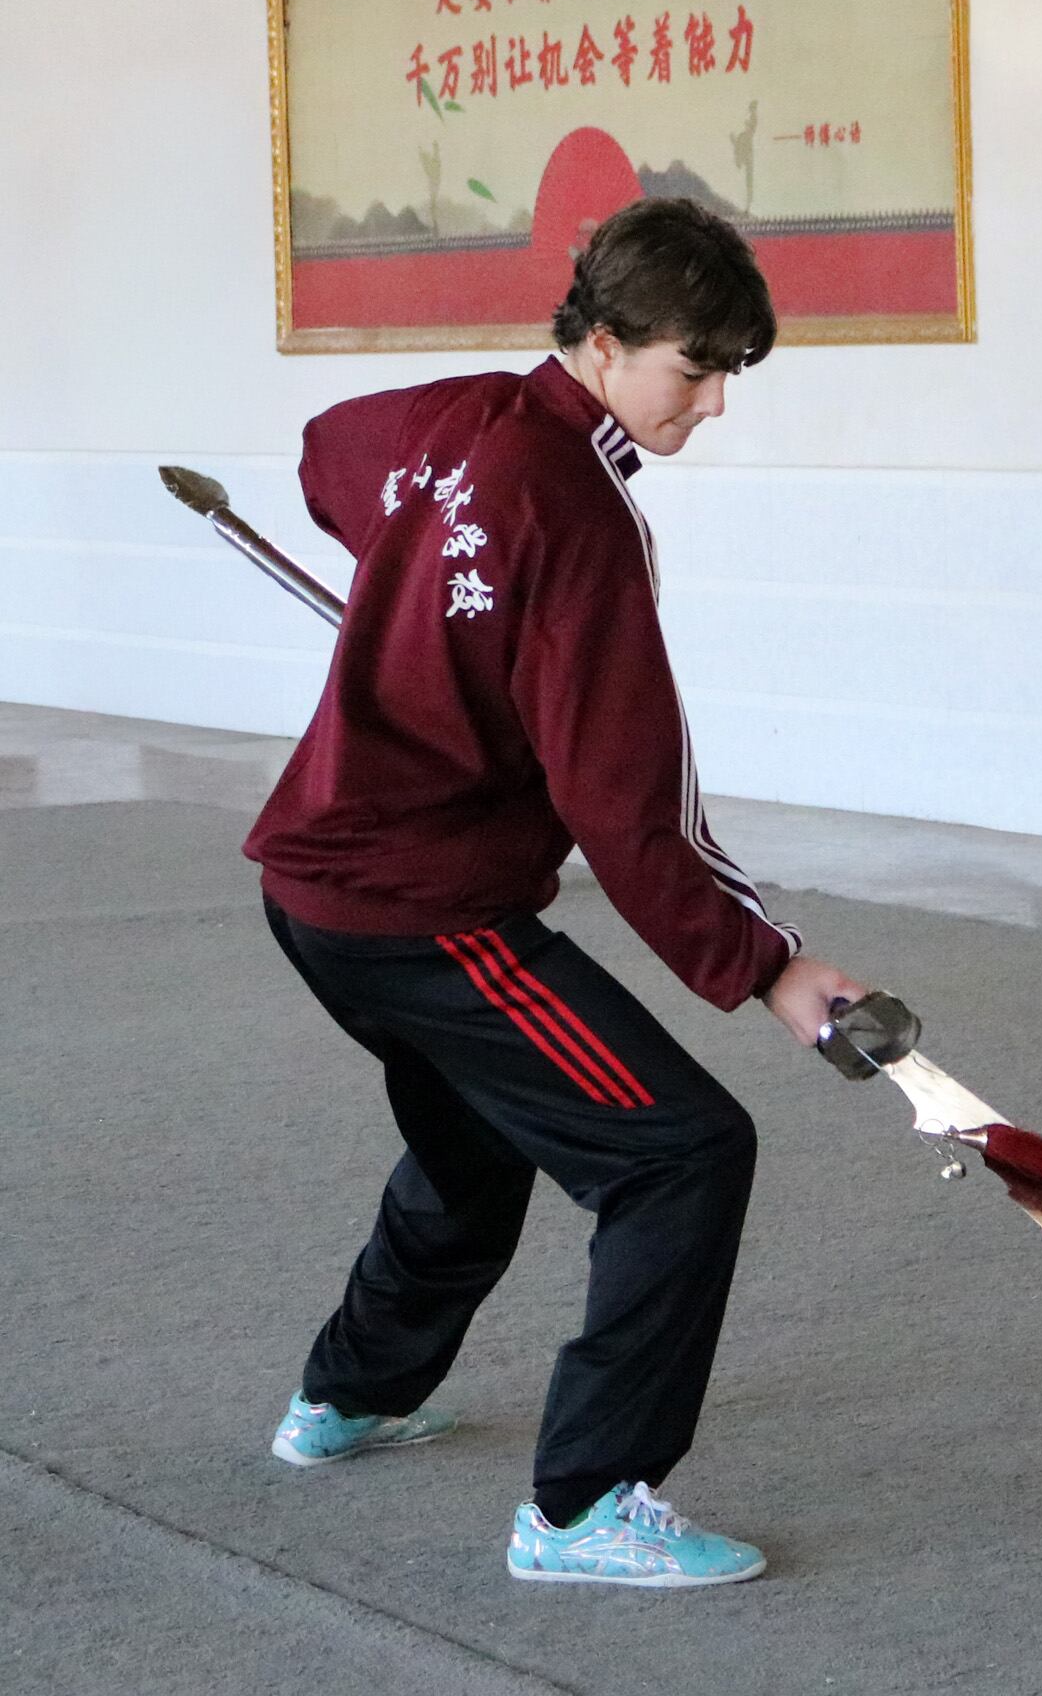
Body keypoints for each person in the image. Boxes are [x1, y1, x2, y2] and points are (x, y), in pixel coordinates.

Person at [245, 197, 868, 1587]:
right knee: (679, 1153)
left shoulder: (449, 417)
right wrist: (769, 967)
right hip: (426, 914)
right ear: (603, 341)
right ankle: (585, 1507)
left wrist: (410, 592)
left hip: (313, 889)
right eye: (693, 370)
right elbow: (627, 806)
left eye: (729, 374)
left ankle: (347, 1395)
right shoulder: (582, 514)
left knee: (476, 1137)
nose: (712, 405)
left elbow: (325, 454)